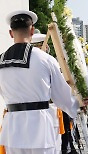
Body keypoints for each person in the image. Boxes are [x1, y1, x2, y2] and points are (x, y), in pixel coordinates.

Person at [0, 10, 79, 154]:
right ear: (32, 30)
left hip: (12, 130)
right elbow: (62, 97)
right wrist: (79, 106)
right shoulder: (45, 59)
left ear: (11, 33)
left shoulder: (0, 61)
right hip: (40, 130)